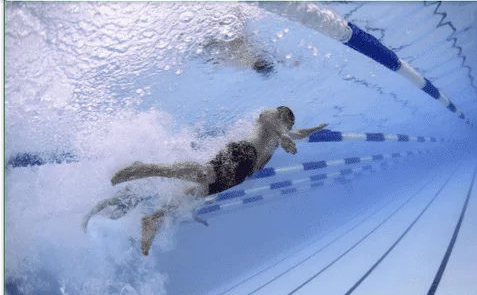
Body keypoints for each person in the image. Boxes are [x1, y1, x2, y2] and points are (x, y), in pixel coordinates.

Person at [104, 106, 327, 256]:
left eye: (289, 126)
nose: (288, 127)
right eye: (287, 123)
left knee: (196, 192)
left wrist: (314, 129)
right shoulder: (270, 116)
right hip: (243, 153)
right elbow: (273, 123)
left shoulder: (280, 134)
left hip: (242, 172)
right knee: (203, 174)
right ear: (282, 116)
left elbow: (296, 133)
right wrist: (284, 135)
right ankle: (145, 168)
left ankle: (154, 219)